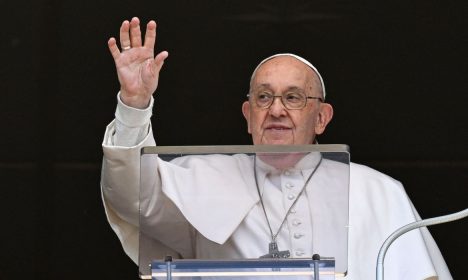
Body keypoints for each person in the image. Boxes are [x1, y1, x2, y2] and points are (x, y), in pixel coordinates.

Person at [101, 17, 452, 279]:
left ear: (321, 118)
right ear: (248, 115)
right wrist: (134, 105)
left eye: (294, 97)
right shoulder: (205, 178)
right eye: (264, 97)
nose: (277, 109)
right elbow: (134, 199)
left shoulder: (379, 192)